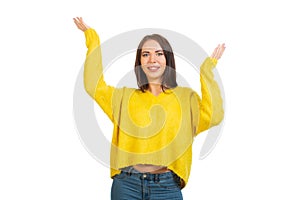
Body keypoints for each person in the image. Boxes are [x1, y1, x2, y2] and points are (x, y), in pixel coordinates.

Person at [73, 16, 225, 200]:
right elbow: (93, 85)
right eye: (146, 54)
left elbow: (214, 115)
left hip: (167, 187)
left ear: (168, 59)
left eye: (159, 54)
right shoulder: (123, 97)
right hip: (127, 185)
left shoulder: (186, 98)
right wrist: (92, 38)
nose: (152, 59)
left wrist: (207, 71)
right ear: (140, 62)